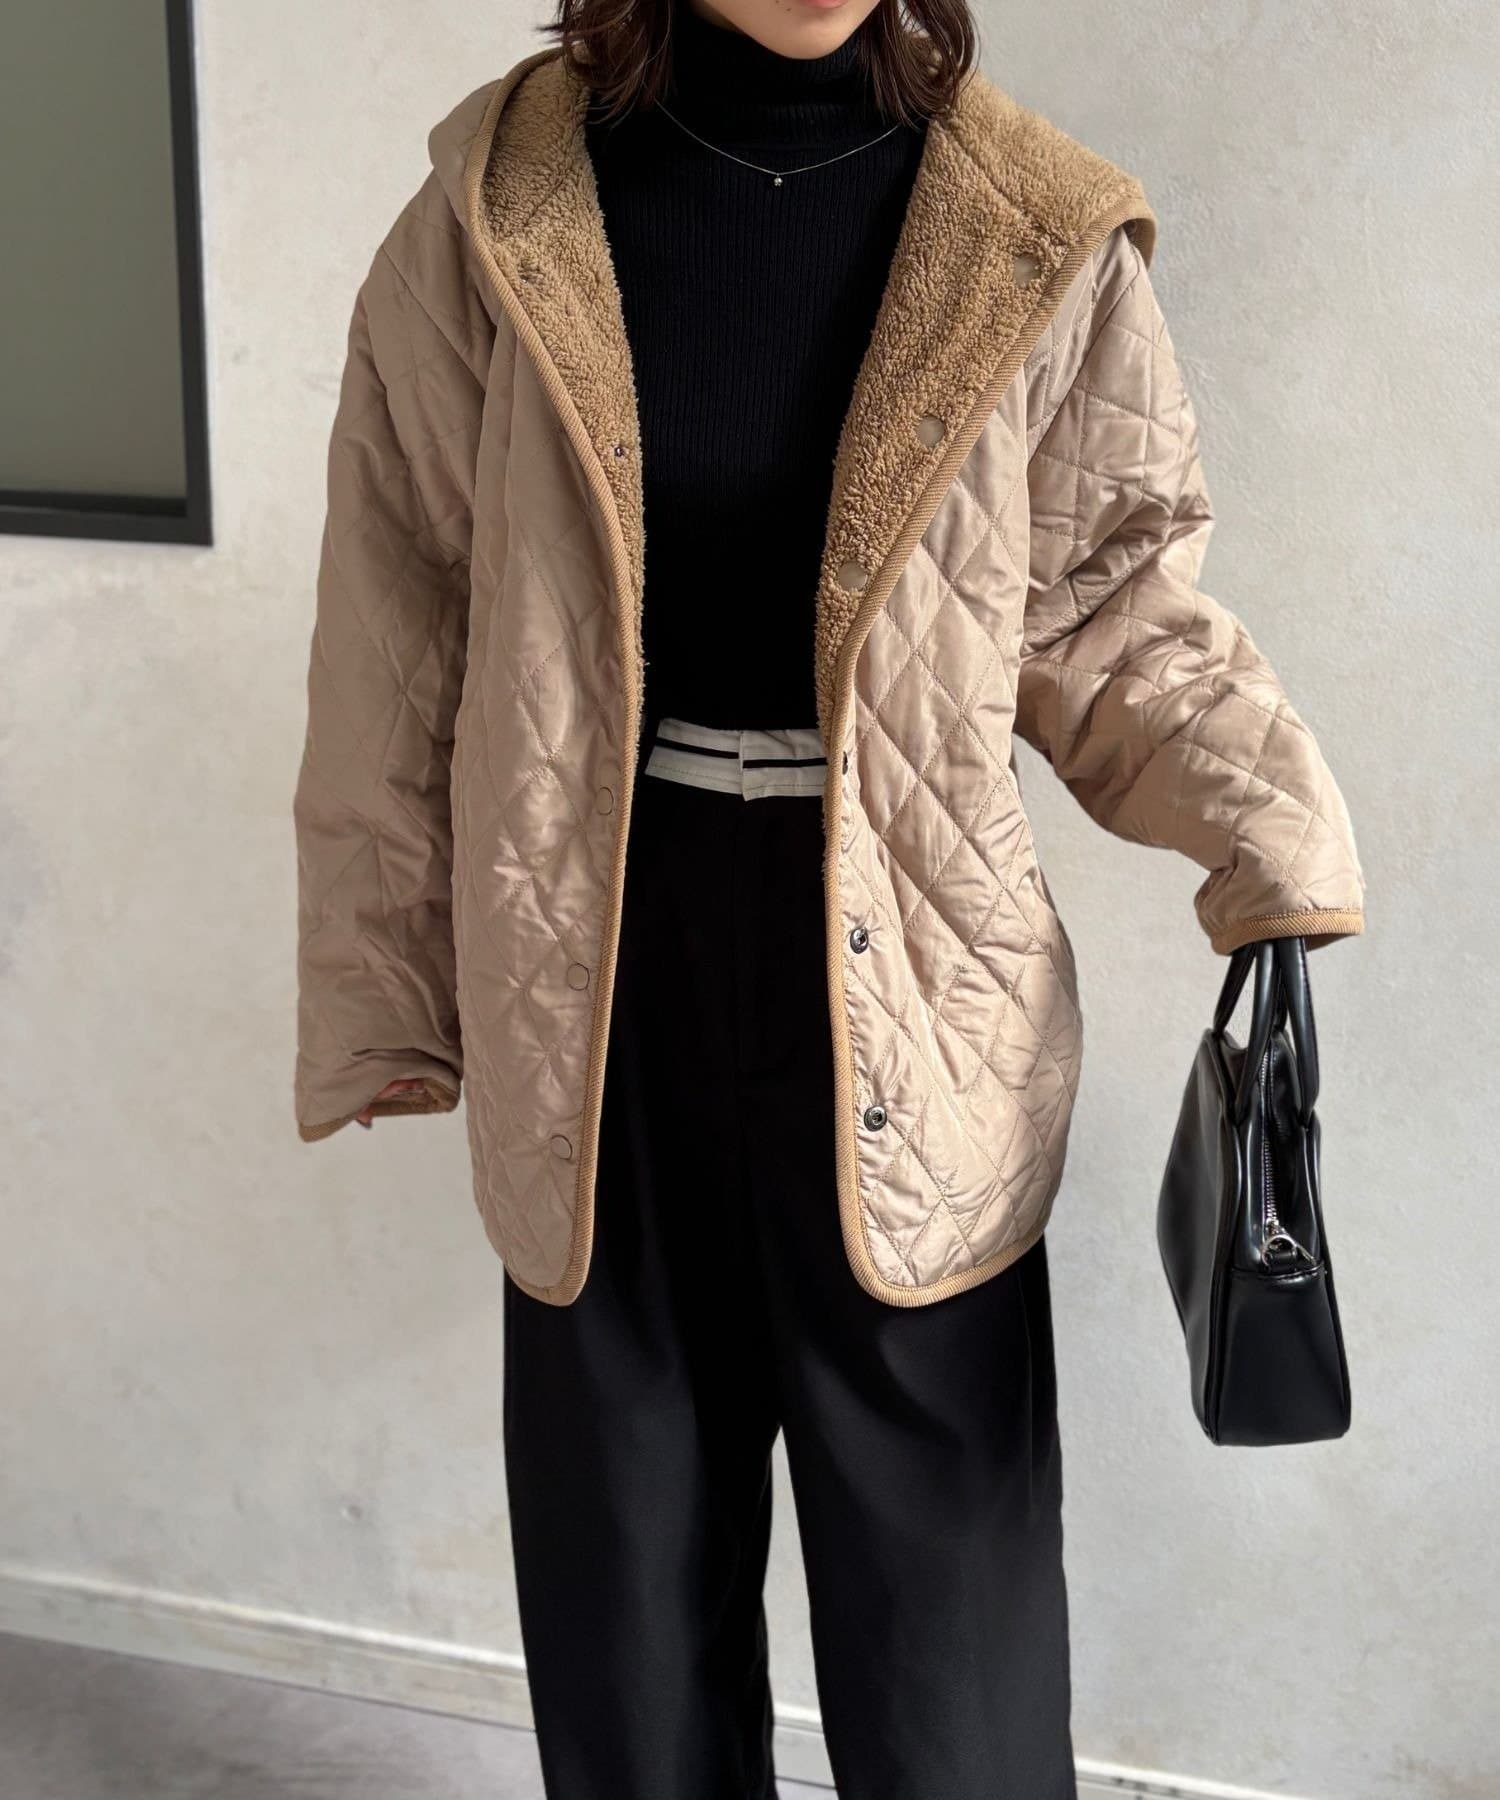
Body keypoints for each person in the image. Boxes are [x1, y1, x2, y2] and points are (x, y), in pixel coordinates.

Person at [292, 1, 1367, 1794]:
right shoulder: (498, 209)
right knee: (629, 1633)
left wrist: (1278, 844)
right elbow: (401, 613)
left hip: (921, 988)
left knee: (953, 1670)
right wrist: (382, 986)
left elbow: (1113, 609)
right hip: (596, 973)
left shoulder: (1033, 229)